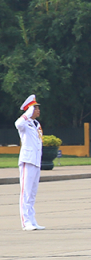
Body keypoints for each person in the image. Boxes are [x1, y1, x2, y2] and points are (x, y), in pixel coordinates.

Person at [16, 95, 44, 231]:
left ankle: (32, 220)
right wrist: (27, 113)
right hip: (27, 160)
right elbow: (18, 124)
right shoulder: (24, 124)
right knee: (25, 192)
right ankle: (25, 221)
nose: (38, 110)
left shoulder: (36, 124)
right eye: (35, 108)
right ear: (29, 110)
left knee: (32, 193)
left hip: (36, 160)